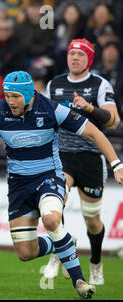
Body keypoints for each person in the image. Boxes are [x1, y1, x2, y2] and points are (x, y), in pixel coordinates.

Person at [0, 70, 123, 299]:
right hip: (18, 184)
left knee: (51, 219)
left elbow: (94, 133)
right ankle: (62, 242)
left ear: (28, 94)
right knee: (26, 253)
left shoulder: (52, 110)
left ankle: (80, 281)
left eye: (15, 96)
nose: (10, 101)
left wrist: (116, 164)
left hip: (49, 177)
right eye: (7, 96)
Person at [43, 39, 121, 285]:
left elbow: (113, 121)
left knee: (92, 219)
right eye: (71, 54)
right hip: (62, 155)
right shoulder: (54, 84)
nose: (74, 58)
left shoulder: (99, 84)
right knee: (54, 203)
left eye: (80, 54)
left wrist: (89, 108)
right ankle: (62, 250)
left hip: (90, 158)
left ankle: (96, 262)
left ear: (89, 59)